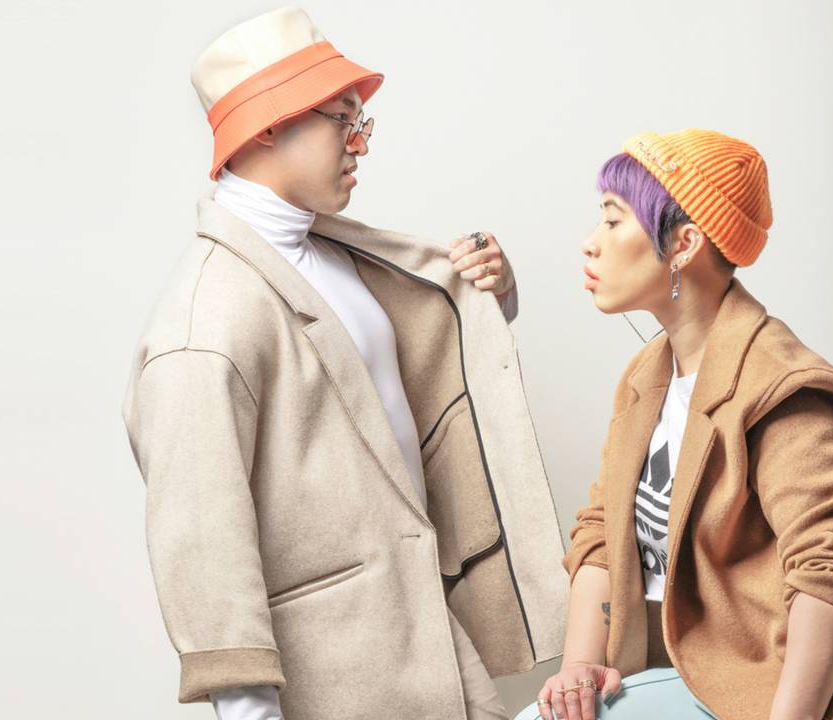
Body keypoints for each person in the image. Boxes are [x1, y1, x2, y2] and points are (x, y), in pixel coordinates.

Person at [121, 8, 568, 719]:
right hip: (338, 684)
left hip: (432, 649)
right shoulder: (203, 325)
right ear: (268, 126)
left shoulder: (333, 257)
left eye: (362, 123)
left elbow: (387, 395)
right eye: (342, 120)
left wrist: (489, 301)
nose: (360, 143)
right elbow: (205, 553)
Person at [527, 129, 833, 720]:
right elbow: (603, 532)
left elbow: (829, 568)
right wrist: (581, 667)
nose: (590, 242)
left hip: (809, 690)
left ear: (683, 243)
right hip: (703, 672)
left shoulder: (784, 391)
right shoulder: (646, 376)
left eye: (613, 220)